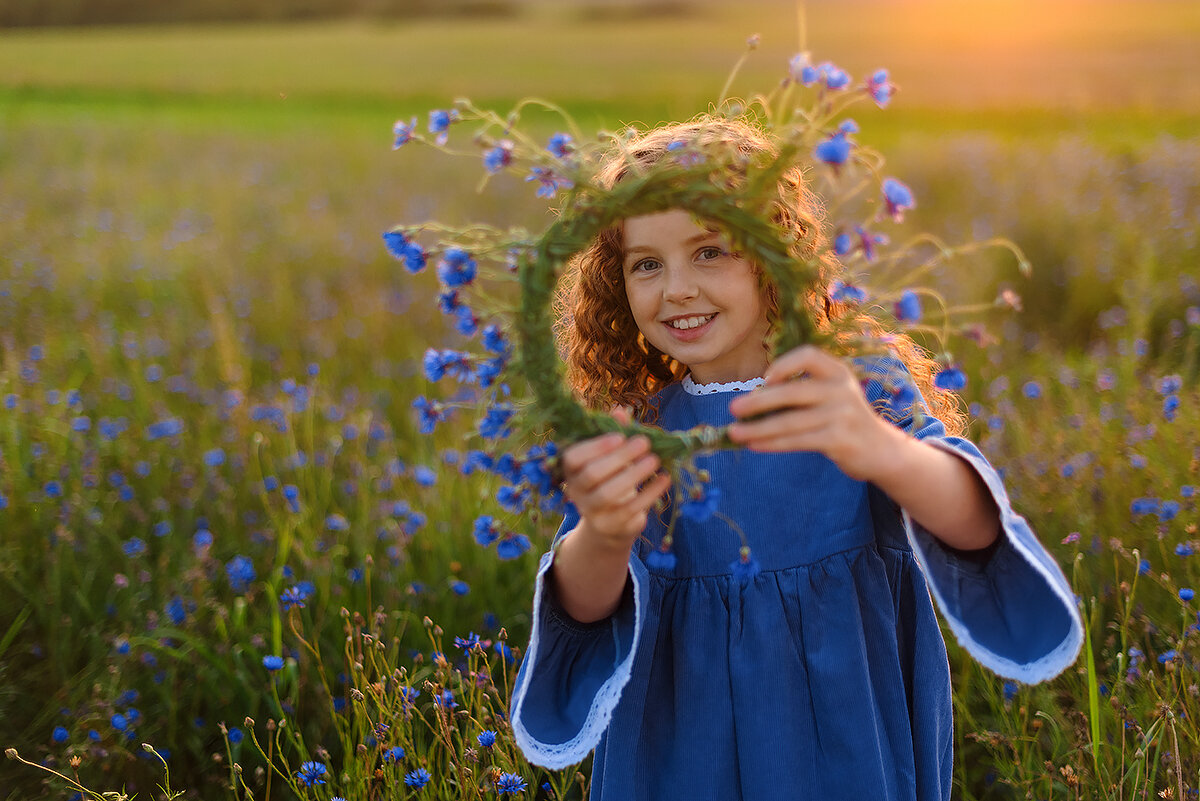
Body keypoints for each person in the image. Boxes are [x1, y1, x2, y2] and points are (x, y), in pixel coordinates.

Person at [508, 117, 1082, 801]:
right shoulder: (641, 426)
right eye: (647, 264)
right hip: (682, 755)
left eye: (710, 251)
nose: (678, 288)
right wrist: (601, 532)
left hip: (840, 744)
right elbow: (586, 604)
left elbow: (975, 528)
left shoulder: (849, 390)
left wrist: (883, 450)